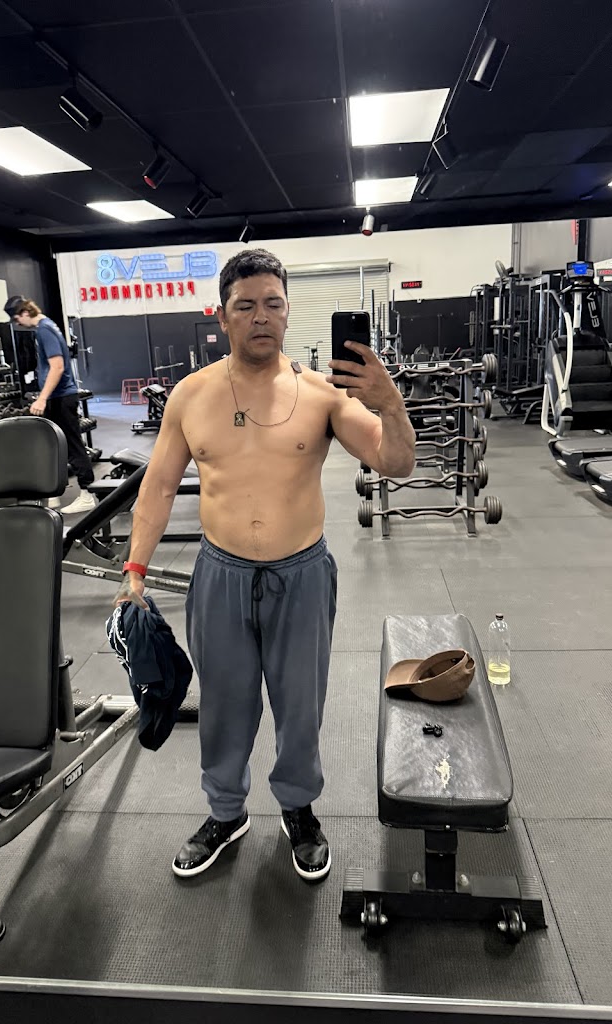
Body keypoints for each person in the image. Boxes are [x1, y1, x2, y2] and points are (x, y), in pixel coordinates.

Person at [112, 249, 415, 882]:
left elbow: (395, 463)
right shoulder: (191, 395)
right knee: (225, 704)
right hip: (220, 576)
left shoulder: (322, 394)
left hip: (302, 575)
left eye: (273, 304)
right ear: (222, 316)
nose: (261, 317)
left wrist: (391, 405)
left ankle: (298, 809)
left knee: (300, 705)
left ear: (287, 311)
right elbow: (158, 488)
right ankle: (225, 813)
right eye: (245, 306)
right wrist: (135, 570)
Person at [8, 298, 96, 512]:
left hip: (60, 397)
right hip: (59, 396)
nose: (18, 323)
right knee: (55, 445)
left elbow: (57, 367)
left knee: (73, 446)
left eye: (17, 318)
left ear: (25, 312)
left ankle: (87, 494)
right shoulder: (47, 326)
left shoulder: (44, 330)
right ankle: (54, 495)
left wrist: (42, 398)